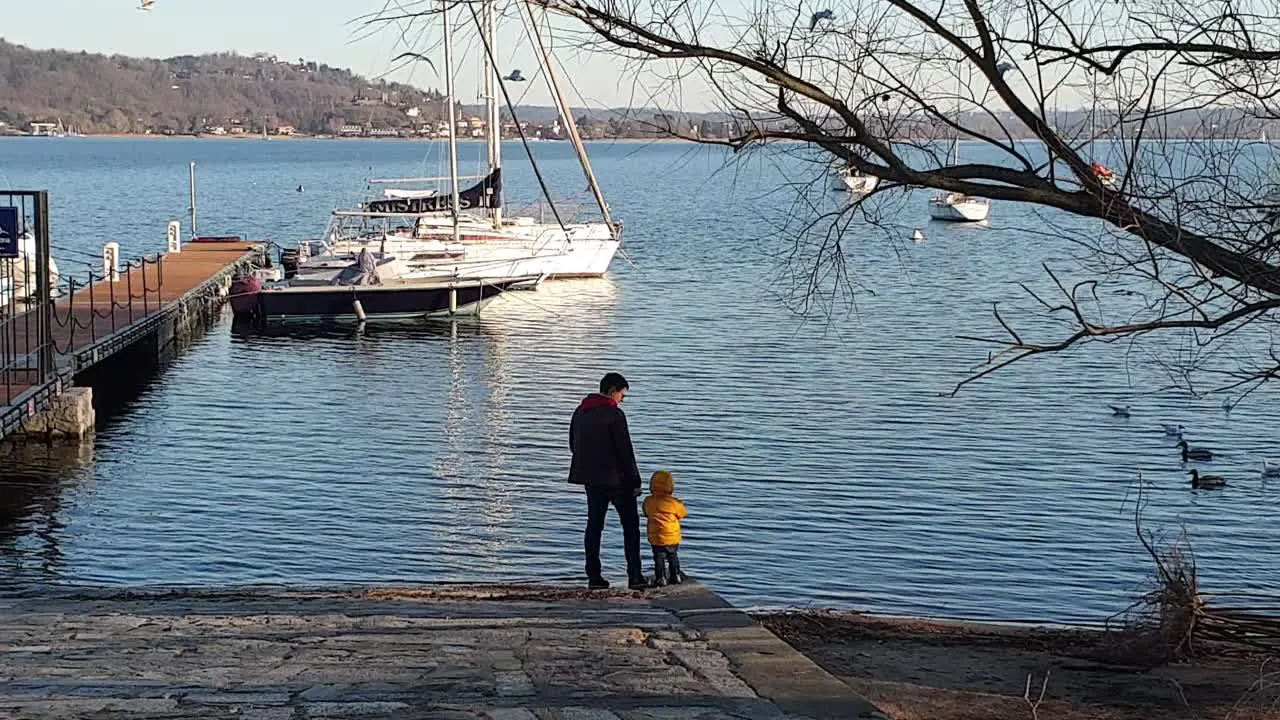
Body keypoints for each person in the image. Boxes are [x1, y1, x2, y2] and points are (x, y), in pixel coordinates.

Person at [569, 372, 646, 590]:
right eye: (623, 395)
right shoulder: (615, 415)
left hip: (590, 479)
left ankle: (594, 577)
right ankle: (635, 576)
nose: (622, 400)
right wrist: (635, 481)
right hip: (617, 481)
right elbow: (625, 452)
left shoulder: (580, 411)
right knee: (630, 527)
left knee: (594, 526)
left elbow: (573, 444)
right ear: (613, 391)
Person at [642, 470, 687, 586]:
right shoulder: (674, 503)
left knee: (658, 558)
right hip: (672, 537)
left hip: (656, 537)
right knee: (673, 556)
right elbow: (682, 514)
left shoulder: (648, 501)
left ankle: (660, 578)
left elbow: (646, 512)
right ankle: (675, 576)